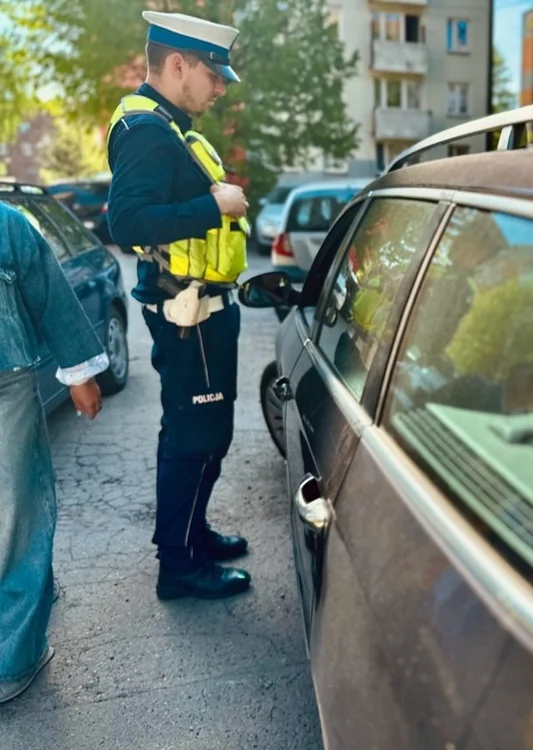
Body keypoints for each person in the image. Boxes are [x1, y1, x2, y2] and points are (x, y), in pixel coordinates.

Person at [106, 11, 253, 601]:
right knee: (196, 436)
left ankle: (192, 537)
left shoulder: (165, 124)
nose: (220, 89)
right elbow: (127, 222)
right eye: (214, 76)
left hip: (198, 311)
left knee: (202, 433)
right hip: (188, 316)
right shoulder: (146, 131)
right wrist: (216, 206)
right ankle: (180, 566)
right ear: (177, 65)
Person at [0, 203, 107, 704]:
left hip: (6, 384)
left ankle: (12, 656)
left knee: (16, 512)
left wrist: (80, 374)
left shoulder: (7, 224)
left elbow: (49, 295)